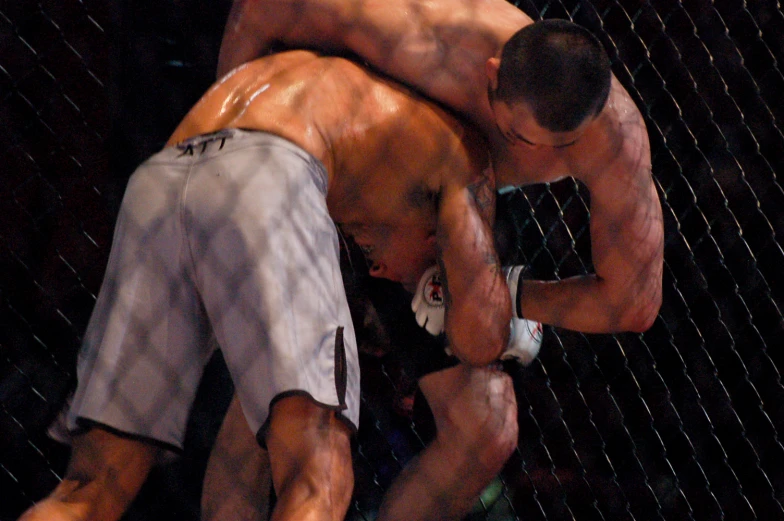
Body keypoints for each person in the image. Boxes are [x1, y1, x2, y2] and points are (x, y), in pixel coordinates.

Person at [17, 49, 512, 521]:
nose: (383, 273)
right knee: (316, 474)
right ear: (436, 234)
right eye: (420, 269)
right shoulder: (460, 160)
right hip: (272, 174)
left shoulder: (342, 92)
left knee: (90, 489)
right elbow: (482, 338)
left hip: (163, 176)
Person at [218, 0, 665, 334]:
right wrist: (224, 141)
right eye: (518, 135)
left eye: (562, 146)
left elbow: (633, 302)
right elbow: (261, 8)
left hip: (430, 230)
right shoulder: (429, 34)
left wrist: (502, 294)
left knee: (485, 417)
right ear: (491, 75)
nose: (540, 155)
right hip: (316, 157)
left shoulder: (615, 142)